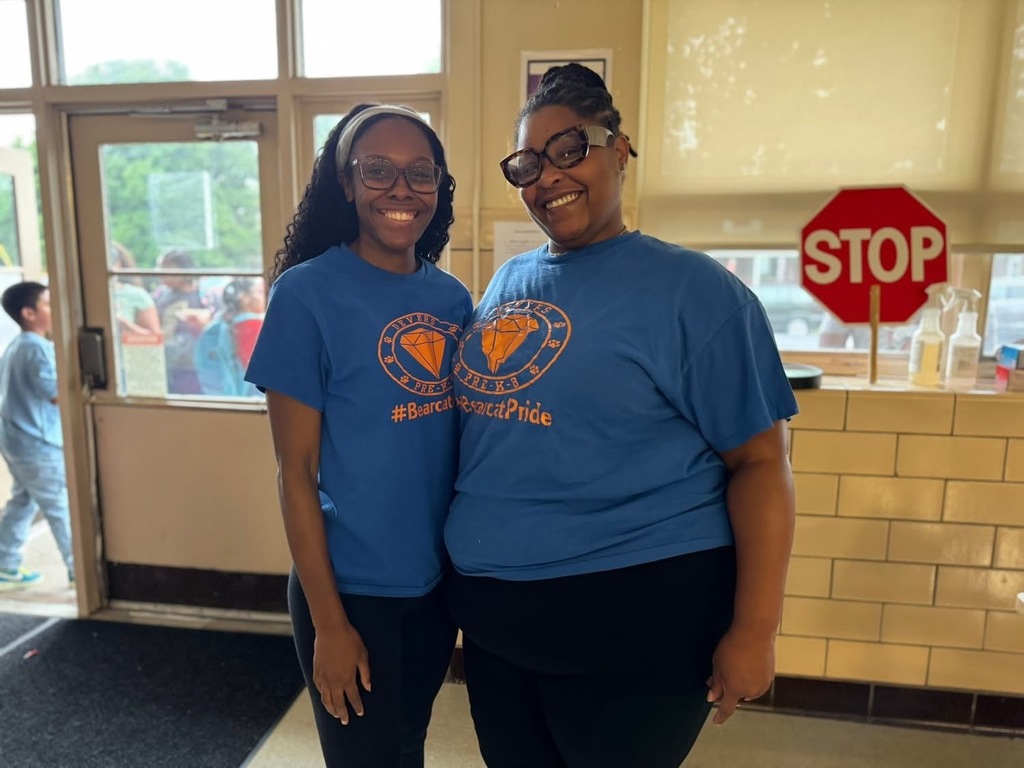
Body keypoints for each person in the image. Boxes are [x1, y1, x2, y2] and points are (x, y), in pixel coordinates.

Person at [444, 64, 799, 768]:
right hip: (495, 627)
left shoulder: (695, 293)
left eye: (569, 149)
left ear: (620, 150)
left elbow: (761, 462)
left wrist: (755, 630)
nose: (548, 177)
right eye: (528, 164)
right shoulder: (511, 279)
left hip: (635, 624)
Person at [244, 104, 472, 768]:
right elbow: (295, 473)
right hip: (350, 591)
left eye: (420, 173)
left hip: (433, 586)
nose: (401, 188)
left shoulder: (454, 299)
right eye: (377, 170)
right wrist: (330, 624)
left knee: (407, 747)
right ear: (345, 183)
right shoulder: (305, 295)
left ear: (439, 187)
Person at [0, 282, 74, 588]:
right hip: (37, 443)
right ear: (28, 313)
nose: (55, 310)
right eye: (48, 304)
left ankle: (5, 564)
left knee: (23, 501)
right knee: (59, 505)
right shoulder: (36, 348)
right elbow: (56, 394)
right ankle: (79, 570)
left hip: (16, 440)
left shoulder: (16, 346)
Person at [152, 250, 212, 394]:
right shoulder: (160, 295)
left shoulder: (206, 296)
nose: (161, 274)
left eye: (167, 269)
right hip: (167, 362)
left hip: (196, 363)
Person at [195, 277, 265, 397]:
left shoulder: (214, 328)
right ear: (244, 298)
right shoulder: (257, 326)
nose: (262, 297)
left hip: (218, 398)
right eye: (258, 292)